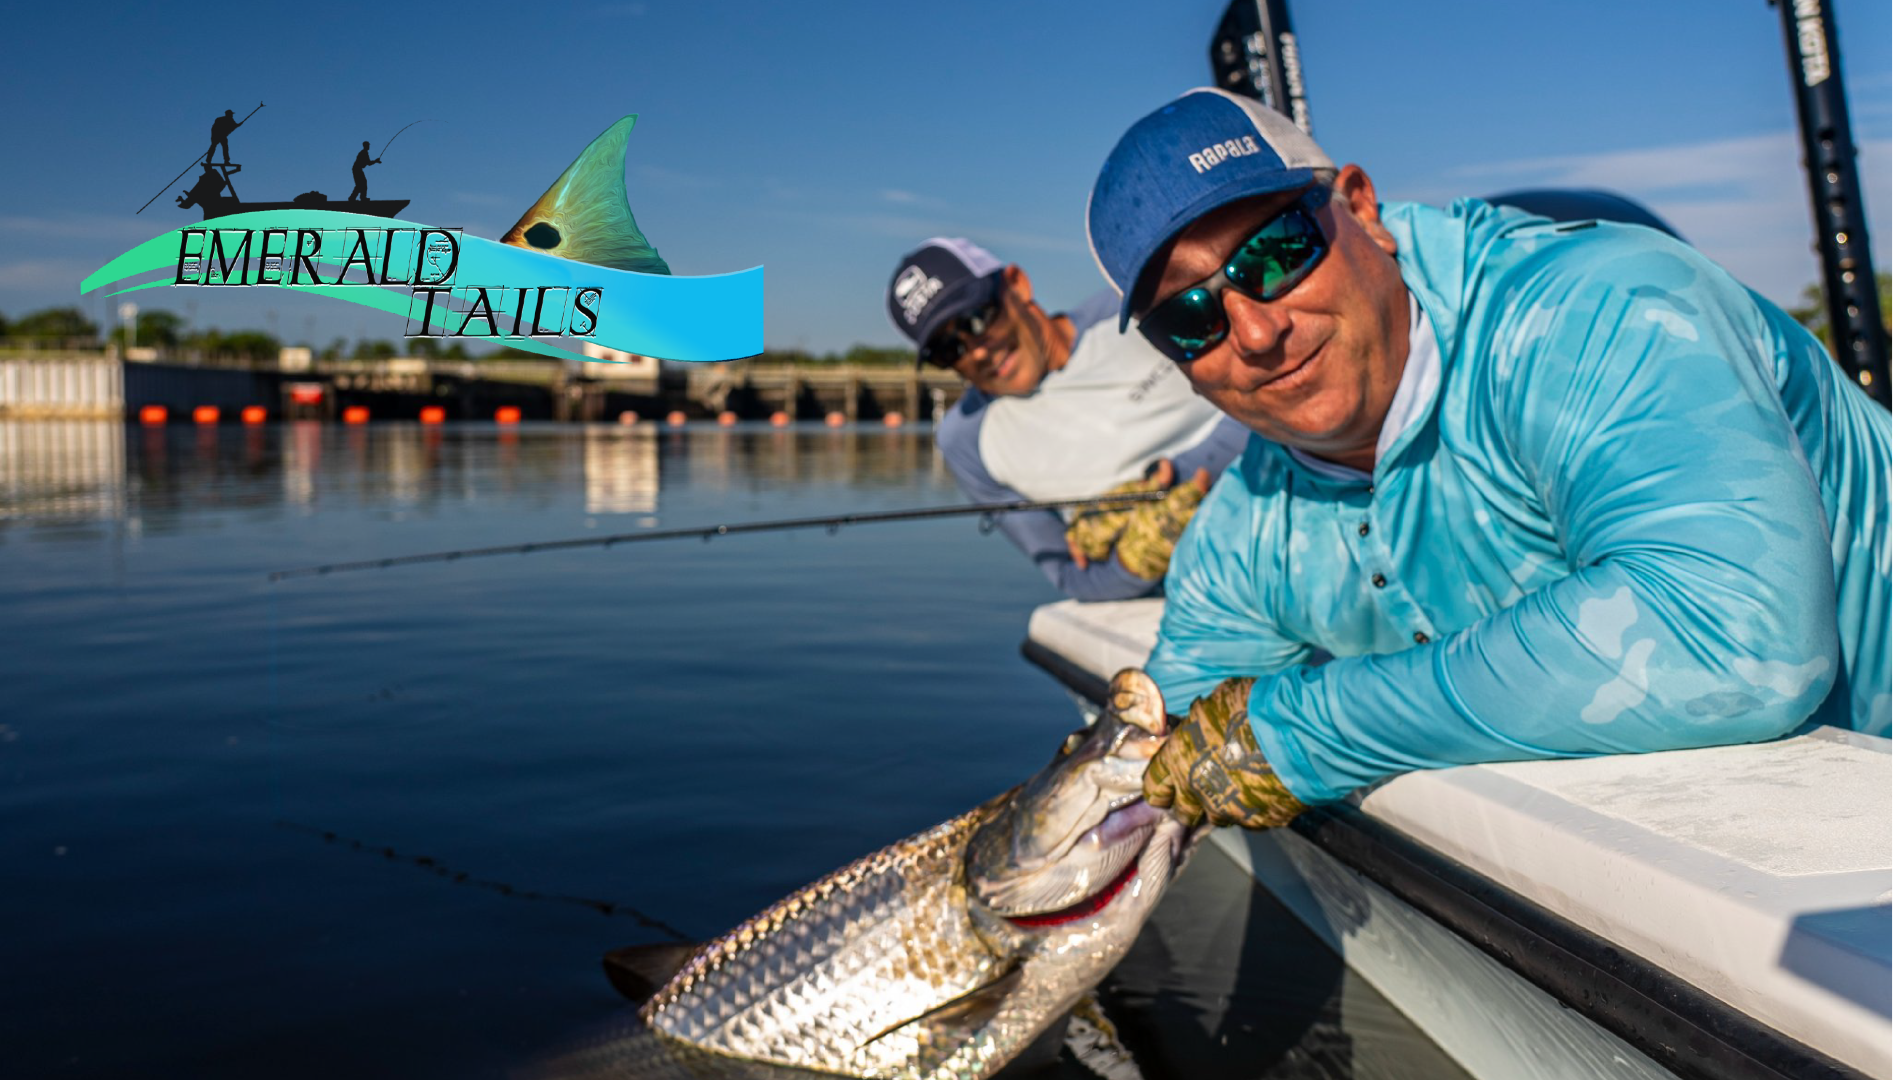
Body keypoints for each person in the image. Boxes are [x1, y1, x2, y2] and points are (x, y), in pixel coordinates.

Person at [1073, 88, 1891, 828]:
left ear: (1362, 210)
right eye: (1189, 318)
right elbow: (1149, 761)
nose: (1255, 331)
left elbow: (1738, 643)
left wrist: (1312, 729)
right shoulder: (1240, 535)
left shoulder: (1601, 308)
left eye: (1275, 252)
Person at [887, 238, 1249, 601]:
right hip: (1202, 592)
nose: (977, 351)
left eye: (977, 319)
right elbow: (1074, 577)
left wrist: (1183, 478)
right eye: (949, 349)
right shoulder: (965, 441)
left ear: (1017, 284)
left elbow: (1270, 395)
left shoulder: (1136, 302)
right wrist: (1136, 559)